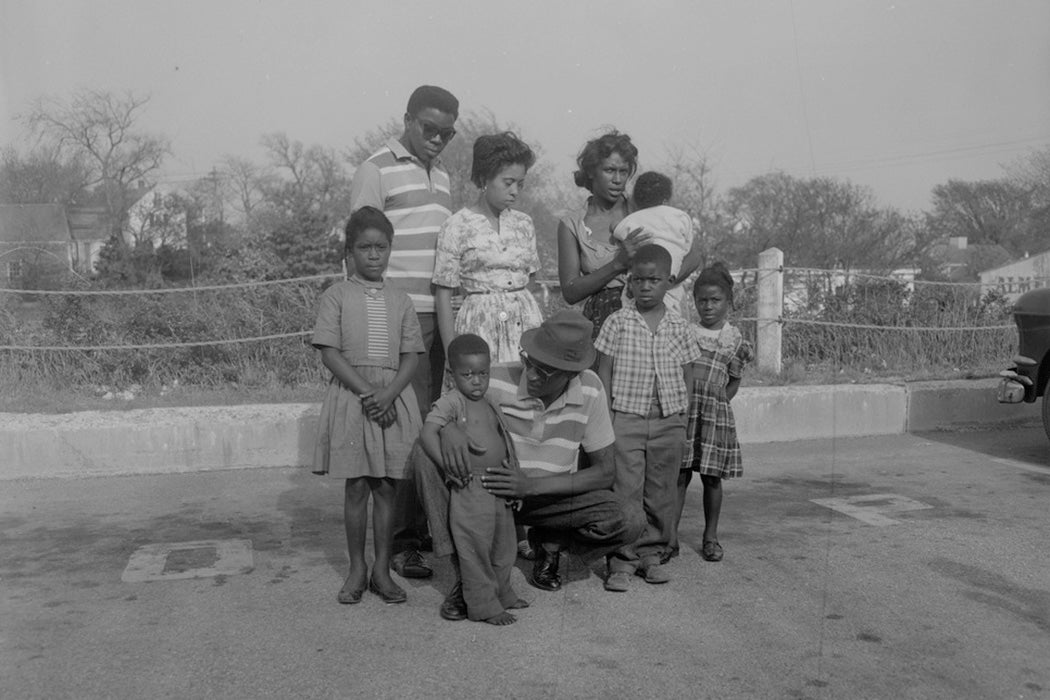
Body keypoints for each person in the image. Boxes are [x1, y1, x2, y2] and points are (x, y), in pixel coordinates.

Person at [411, 310, 646, 621]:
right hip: (489, 493)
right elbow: (442, 412)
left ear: (571, 374)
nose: (532, 374)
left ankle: (551, 543)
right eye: (529, 362)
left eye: (545, 372)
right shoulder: (490, 377)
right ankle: (465, 577)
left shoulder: (590, 389)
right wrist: (449, 428)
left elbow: (605, 471)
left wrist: (530, 485)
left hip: (548, 495)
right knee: (424, 455)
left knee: (629, 518)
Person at [349, 85, 460, 580]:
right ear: (409, 120)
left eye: (447, 132)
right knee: (401, 429)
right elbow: (358, 245)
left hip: (440, 315)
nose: (437, 138)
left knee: (432, 423)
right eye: (429, 128)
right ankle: (400, 544)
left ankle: (425, 530)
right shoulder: (375, 168)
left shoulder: (446, 179)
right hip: (397, 318)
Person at [431, 131, 544, 561]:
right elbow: (444, 291)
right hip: (476, 324)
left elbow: (529, 280)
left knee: (520, 414)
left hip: (521, 323)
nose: (515, 191)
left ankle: (519, 524)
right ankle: (478, 519)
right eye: (507, 182)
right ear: (483, 177)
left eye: (520, 183)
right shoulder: (457, 224)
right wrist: (452, 350)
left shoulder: (524, 224)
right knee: (480, 418)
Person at [311, 206, 423, 605]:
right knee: (357, 485)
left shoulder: (401, 300)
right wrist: (367, 393)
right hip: (352, 398)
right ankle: (357, 568)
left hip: (393, 400)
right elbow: (330, 352)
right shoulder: (336, 295)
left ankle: (381, 569)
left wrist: (389, 392)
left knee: (387, 486)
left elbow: (411, 354)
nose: (374, 255)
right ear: (350, 252)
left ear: (390, 249)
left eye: (381, 247)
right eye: (365, 247)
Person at [594, 245, 698, 591]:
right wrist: (607, 416)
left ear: (669, 281)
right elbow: (603, 370)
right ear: (629, 281)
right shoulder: (617, 322)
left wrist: (682, 417)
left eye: (653, 280)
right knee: (626, 491)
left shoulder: (680, 326)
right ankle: (621, 561)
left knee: (660, 491)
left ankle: (651, 555)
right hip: (626, 418)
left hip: (668, 420)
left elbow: (688, 374)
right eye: (638, 280)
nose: (646, 286)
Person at [419, 334, 528, 625]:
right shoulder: (451, 402)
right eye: (468, 375)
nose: (476, 381)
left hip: (499, 483)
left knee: (504, 546)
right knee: (475, 547)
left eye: (483, 374)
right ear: (452, 375)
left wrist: (513, 475)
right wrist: (447, 467)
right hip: (471, 485)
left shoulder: (492, 402)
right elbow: (428, 433)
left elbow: (505, 440)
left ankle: (503, 593)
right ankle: (483, 606)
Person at [671, 263, 754, 564]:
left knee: (711, 479)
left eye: (715, 300)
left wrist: (717, 405)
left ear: (729, 302)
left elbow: (734, 382)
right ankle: (670, 537)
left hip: (715, 419)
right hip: (686, 413)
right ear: (694, 302)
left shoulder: (734, 341)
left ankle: (710, 537)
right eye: (702, 300)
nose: (708, 306)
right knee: (679, 476)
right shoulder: (685, 333)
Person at [557, 130, 652, 339]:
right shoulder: (572, 224)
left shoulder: (643, 211)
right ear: (591, 172)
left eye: (624, 171)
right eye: (609, 170)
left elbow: (692, 256)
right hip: (601, 323)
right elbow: (570, 292)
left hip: (648, 319)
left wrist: (662, 284)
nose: (618, 179)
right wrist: (618, 264)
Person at [611, 171, 703, 315]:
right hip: (673, 285)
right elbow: (688, 248)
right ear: (666, 199)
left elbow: (617, 232)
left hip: (640, 287)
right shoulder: (680, 217)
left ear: (636, 200)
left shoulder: (631, 221)